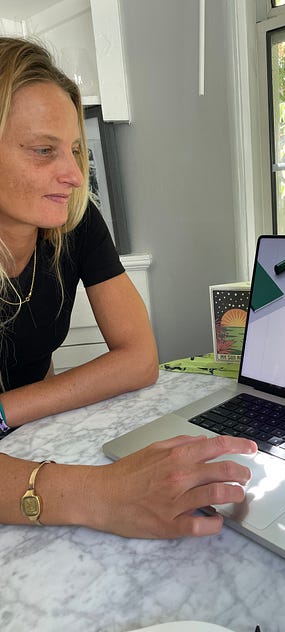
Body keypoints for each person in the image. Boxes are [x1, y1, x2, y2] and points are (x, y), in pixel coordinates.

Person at [0, 36, 256, 538]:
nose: (74, 175)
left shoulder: (73, 223)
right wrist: (103, 493)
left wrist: (7, 411)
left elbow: (139, 358)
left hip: (25, 435)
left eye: (74, 150)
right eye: (43, 150)